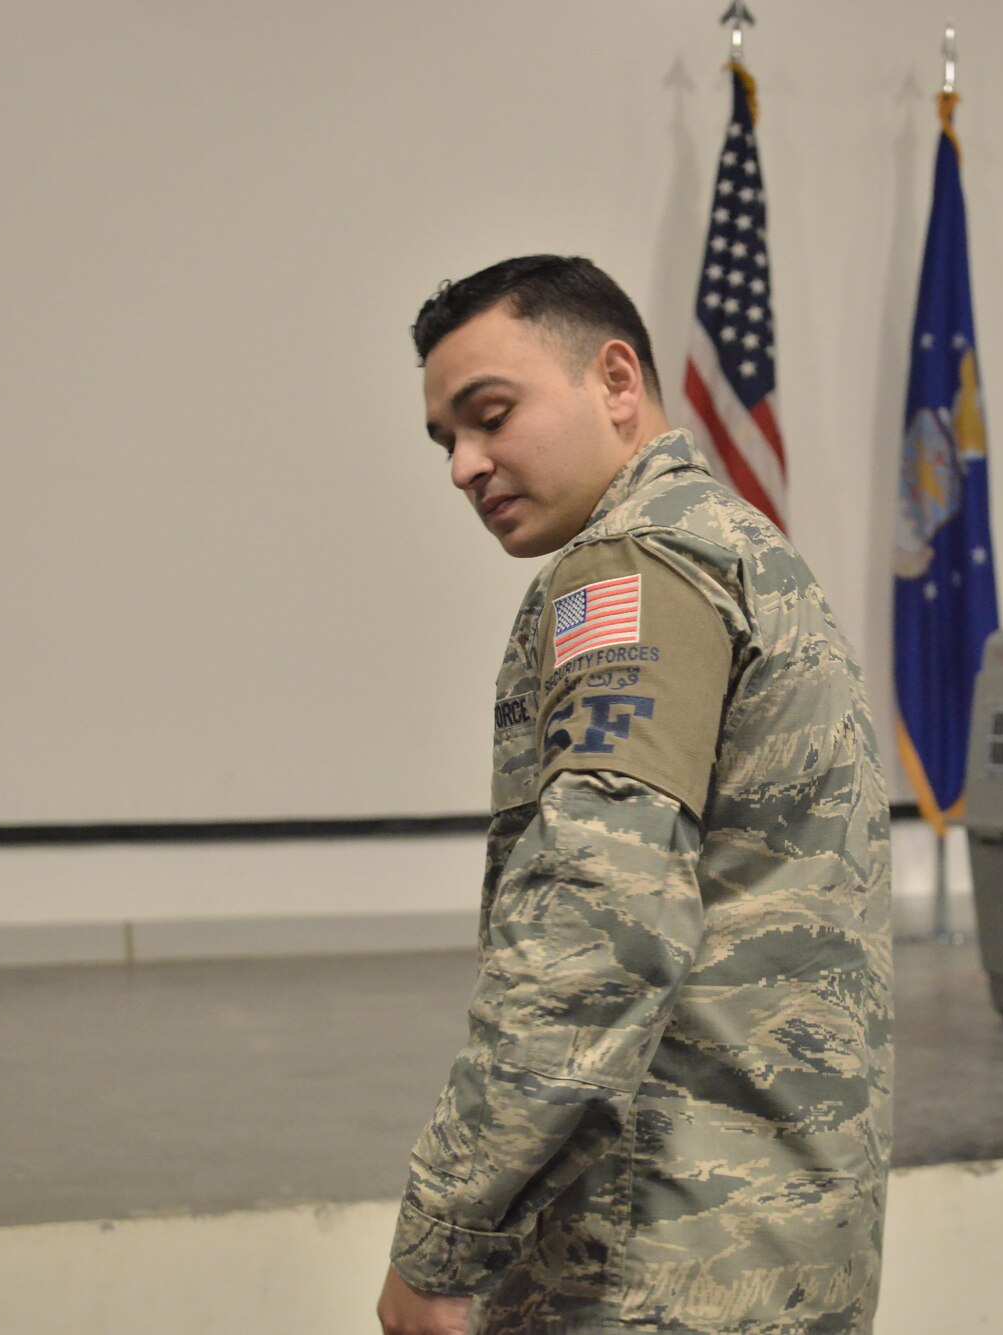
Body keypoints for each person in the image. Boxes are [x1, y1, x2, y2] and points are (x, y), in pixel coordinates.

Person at [377, 255, 893, 1335]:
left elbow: (596, 921)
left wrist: (442, 1242)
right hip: (775, 1251)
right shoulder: (742, 551)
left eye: (489, 415)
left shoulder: (636, 570)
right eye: (445, 442)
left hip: (648, 1265)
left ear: (617, 382)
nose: (464, 467)